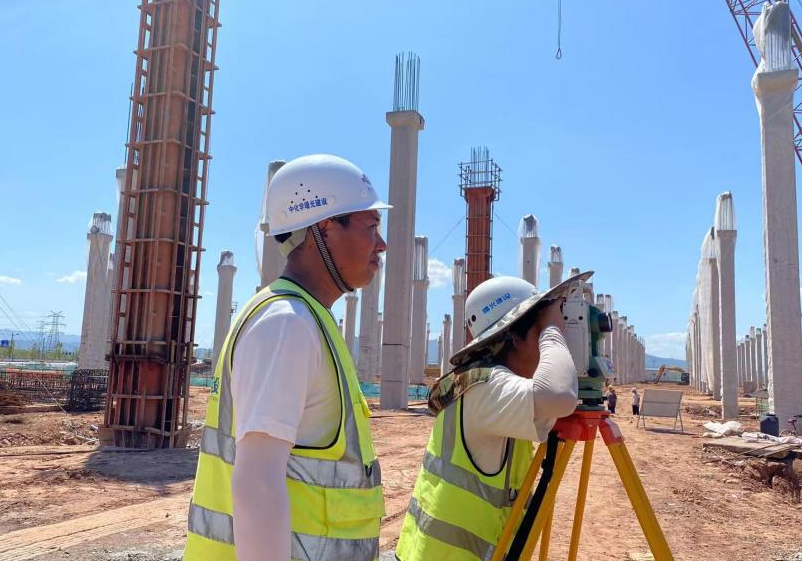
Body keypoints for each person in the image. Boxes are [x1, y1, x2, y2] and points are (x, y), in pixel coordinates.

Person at [184, 154, 390, 561]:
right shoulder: (286, 324)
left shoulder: (307, 319)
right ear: (324, 229)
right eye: (371, 226)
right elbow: (257, 482)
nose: (381, 244)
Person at [395, 273, 589, 561]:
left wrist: (546, 326)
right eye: (543, 335)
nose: (552, 345)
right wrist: (551, 329)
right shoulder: (485, 388)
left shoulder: (492, 386)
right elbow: (558, 395)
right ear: (514, 336)